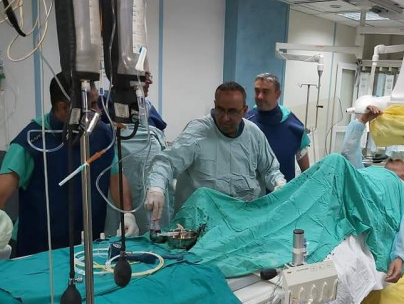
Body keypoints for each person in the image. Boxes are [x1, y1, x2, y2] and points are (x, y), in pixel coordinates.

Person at [0, 73, 138, 257]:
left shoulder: (101, 134)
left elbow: (116, 177)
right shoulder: (31, 141)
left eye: (98, 103)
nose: (98, 111)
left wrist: (127, 213)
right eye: (91, 106)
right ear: (63, 107)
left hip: (87, 247)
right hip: (38, 251)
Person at [144, 81, 286, 222]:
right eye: (220, 110)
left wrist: (279, 184)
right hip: (199, 221)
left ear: (244, 110)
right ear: (215, 105)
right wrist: (156, 188)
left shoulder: (254, 134)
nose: (225, 118)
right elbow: (166, 162)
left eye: (232, 111)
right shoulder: (197, 132)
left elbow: (270, 170)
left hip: (242, 220)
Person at [340, 105, 404, 283]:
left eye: (398, 162)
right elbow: (347, 153)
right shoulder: (365, 172)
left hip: (362, 217)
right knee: (335, 162)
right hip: (347, 197)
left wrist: (400, 256)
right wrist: (363, 120)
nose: (391, 160)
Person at [102, 71, 173, 235]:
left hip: (152, 192)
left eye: (149, 77)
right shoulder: (105, 107)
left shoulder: (148, 109)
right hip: (120, 195)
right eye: (144, 77)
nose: (149, 82)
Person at [245, 73, 310, 183]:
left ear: (277, 94)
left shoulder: (293, 126)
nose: (260, 96)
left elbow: (305, 166)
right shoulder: (246, 123)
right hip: (252, 191)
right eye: (257, 91)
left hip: (284, 190)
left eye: (265, 92)